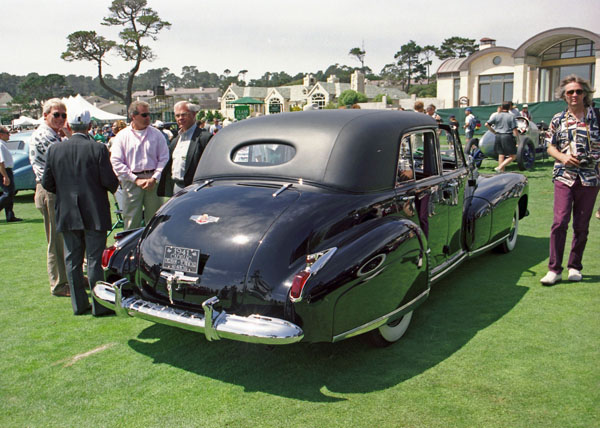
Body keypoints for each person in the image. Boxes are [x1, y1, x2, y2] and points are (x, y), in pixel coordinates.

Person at [42, 110, 119, 315]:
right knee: (94, 260)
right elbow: (110, 182)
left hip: (67, 212)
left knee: (72, 260)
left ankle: (79, 304)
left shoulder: (54, 149)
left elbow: (47, 183)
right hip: (94, 210)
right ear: (89, 126)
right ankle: (99, 305)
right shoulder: (98, 148)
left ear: (69, 126)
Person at [540, 75, 600, 285]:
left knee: (581, 225)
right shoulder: (558, 119)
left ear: (586, 94)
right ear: (564, 96)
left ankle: (575, 266)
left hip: (591, 179)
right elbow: (549, 146)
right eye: (570, 92)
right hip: (564, 177)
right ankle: (554, 269)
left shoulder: (597, 117)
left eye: (578, 91)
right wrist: (563, 157)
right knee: (560, 222)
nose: (575, 95)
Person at [30, 98, 70, 297]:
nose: (61, 118)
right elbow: (66, 159)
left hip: (59, 191)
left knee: (65, 237)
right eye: (56, 114)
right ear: (45, 115)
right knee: (55, 240)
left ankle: (70, 277)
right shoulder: (45, 135)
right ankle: (59, 283)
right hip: (50, 191)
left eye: (64, 115)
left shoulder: (56, 135)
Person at [110, 100, 169, 230]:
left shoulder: (157, 134)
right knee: (131, 221)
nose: (148, 118)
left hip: (153, 182)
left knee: (154, 222)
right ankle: (130, 249)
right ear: (133, 116)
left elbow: (164, 158)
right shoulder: (122, 136)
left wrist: (154, 178)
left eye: (149, 114)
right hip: (131, 182)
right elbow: (116, 161)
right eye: (144, 115)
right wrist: (135, 179)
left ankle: (151, 249)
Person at [158, 101, 212, 197]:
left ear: (194, 114)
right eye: (177, 116)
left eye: (183, 115)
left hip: (197, 189)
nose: (180, 118)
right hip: (176, 188)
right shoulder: (176, 140)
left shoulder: (204, 138)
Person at [485, 102, 519, 172]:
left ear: (501, 107)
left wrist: (493, 131)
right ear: (509, 107)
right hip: (507, 136)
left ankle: (501, 172)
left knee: (501, 154)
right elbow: (514, 130)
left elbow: (486, 124)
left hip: (498, 136)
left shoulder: (497, 116)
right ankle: (500, 167)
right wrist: (517, 140)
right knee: (513, 156)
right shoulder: (511, 116)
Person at [0, 126, 22, 222]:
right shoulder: (0, 145)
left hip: (7, 170)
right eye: (7, 133)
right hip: (4, 170)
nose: (9, 135)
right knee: (8, 193)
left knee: (11, 192)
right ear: (1, 135)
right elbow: (1, 162)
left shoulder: (3, 144)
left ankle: (10, 215)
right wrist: (5, 176)